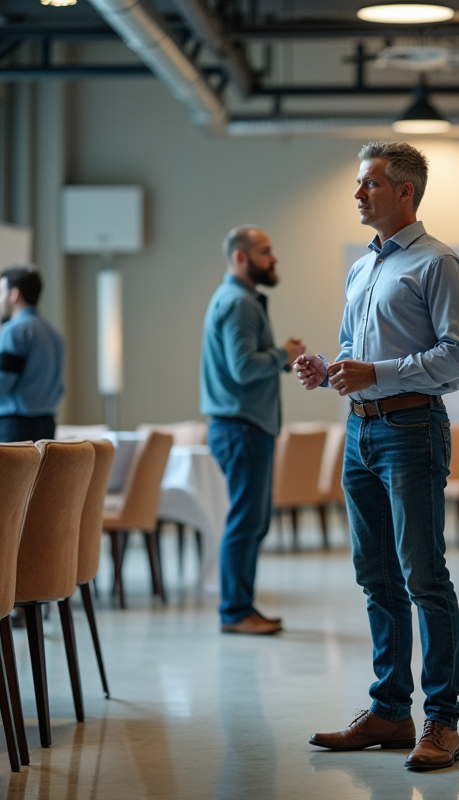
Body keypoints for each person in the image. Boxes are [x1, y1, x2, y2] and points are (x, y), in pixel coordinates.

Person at [295, 141, 459, 772]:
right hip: (361, 433)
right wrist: (328, 368)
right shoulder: (362, 267)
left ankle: (442, 722)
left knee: (424, 575)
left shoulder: (437, 263)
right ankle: (391, 711)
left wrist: (378, 371)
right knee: (376, 576)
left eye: (369, 183)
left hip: (413, 429)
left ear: (406, 192)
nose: (357, 194)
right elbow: (354, 352)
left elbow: (457, 357)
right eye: (358, 183)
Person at [201, 225, 305, 636]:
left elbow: (242, 362)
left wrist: (281, 358)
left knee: (252, 521)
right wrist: (285, 354)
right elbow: (243, 368)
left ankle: (241, 607)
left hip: (243, 426)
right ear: (241, 257)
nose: (273, 257)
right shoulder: (240, 303)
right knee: (247, 522)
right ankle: (234, 612)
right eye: (265, 251)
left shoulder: (237, 300)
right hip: (242, 428)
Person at [0, 266, 65, 443]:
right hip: (47, 427)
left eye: (1, 292)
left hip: (17, 430)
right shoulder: (55, 335)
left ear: (14, 294)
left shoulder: (13, 331)